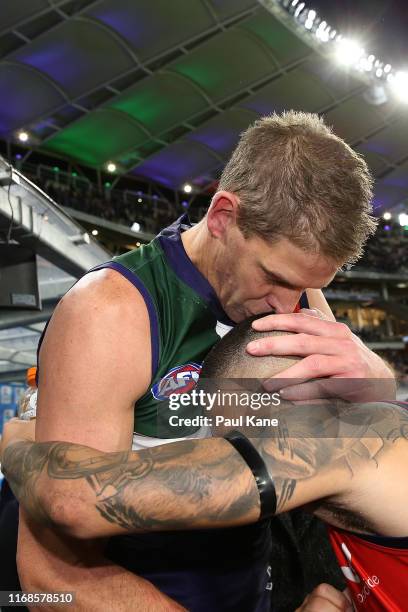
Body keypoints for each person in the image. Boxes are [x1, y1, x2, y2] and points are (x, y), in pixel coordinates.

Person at [16, 111, 394, 611]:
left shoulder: (298, 295)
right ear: (222, 217)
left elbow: (360, 441)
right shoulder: (109, 314)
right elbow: (48, 576)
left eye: (307, 287)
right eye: (275, 278)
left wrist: (376, 378)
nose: (290, 306)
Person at [2, 318, 407, 612]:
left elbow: (71, 497)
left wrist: (19, 433)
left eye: (242, 440)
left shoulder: (342, 442)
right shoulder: (362, 470)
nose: (226, 455)